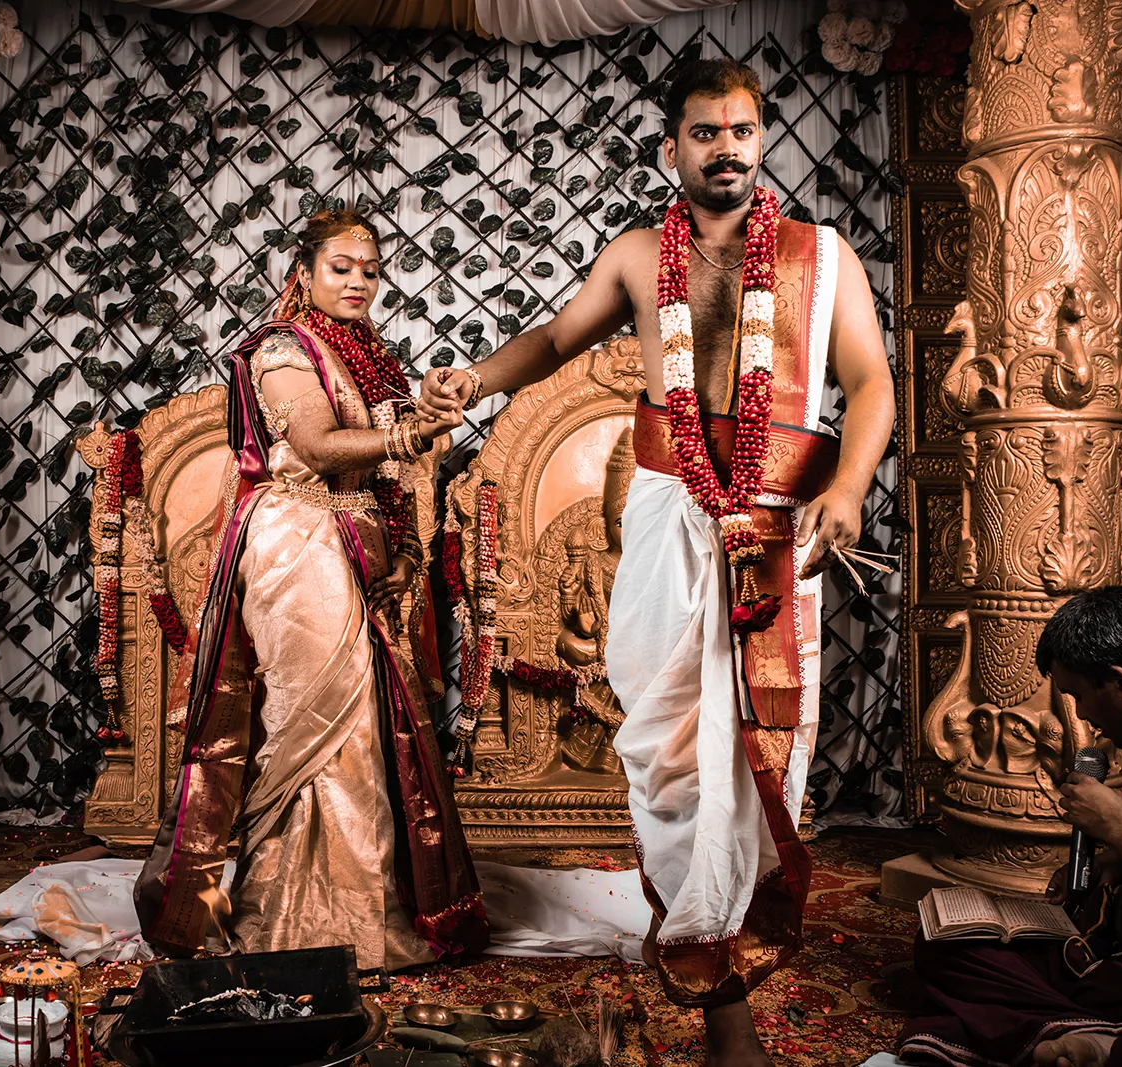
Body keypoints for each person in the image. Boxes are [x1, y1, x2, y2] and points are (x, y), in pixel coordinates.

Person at [417, 58, 894, 1065]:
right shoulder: (640, 256)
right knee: (669, 747)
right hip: (669, 510)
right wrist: (474, 380)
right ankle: (706, 957)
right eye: (705, 131)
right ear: (671, 147)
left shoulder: (823, 255)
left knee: (762, 748)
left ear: (759, 141)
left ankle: (728, 996)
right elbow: (555, 340)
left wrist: (849, 486)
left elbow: (870, 382)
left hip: (777, 522)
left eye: (741, 130)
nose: (727, 147)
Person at [134, 209, 488, 972]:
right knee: (316, 725)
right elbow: (321, 446)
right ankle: (290, 922)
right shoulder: (283, 348)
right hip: (295, 541)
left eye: (371, 269)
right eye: (341, 267)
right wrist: (411, 432)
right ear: (304, 273)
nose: (359, 280)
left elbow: (388, 476)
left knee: (365, 727)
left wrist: (405, 550)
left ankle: (362, 913)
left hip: (353, 539)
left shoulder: (370, 357)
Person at [899, 586, 1122, 1067]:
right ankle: (1099, 1034)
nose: (1083, 716)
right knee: (948, 945)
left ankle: (1106, 1040)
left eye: (1079, 697)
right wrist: (1114, 860)